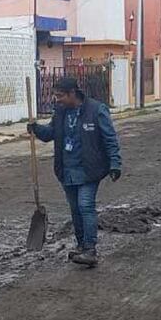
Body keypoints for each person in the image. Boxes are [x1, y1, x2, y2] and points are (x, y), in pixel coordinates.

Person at [28, 77, 122, 267]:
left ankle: (90, 250)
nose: (57, 99)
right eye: (55, 95)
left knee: (85, 205)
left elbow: (110, 138)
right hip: (67, 171)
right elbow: (49, 134)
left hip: (90, 169)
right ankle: (81, 246)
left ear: (73, 93)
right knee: (75, 209)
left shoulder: (96, 110)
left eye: (60, 95)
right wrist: (36, 129)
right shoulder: (60, 112)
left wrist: (115, 163)